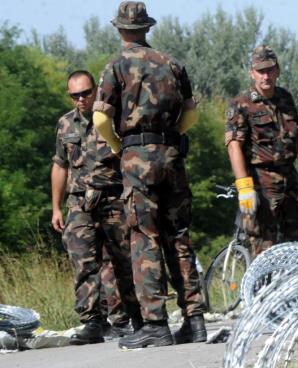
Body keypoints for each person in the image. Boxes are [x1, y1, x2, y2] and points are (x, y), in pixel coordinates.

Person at [92, 1, 206, 348]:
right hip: (172, 156)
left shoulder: (116, 65)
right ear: (146, 28)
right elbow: (191, 113)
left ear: (120, 29)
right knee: (179, 236)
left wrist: (116, 146)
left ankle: (156, 323)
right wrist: (174, 137)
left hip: (137, 157)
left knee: (144, 236)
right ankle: (195, 319)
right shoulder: (172, 63)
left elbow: (99, 119)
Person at [50, 70, 141, 345]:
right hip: (79, 202)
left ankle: (135, 318)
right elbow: (60, 165)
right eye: (74, 95)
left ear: (96, 91)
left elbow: (132, 158)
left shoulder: (113, 119)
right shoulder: (66, 124)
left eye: (85, 93)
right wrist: (55, 207)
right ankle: (92, 322)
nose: (80, 99)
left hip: (113, 198)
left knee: (124, 261)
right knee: (84, 262)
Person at [224, 45, 298, 257]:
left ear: (278, 70)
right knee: (265, 246)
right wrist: (244, 186)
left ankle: (293, 289)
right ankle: (261, 290)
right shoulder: (241, 104)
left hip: (290, 179)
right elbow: (234, 145)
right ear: (252, 73)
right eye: (260, 71)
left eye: (270, 70)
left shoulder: (285, 98)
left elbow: (297, 135)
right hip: (262, 183)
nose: (266, 76)